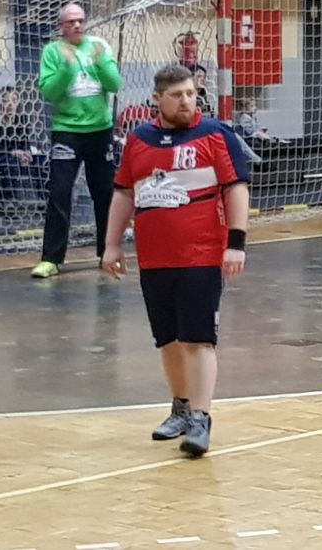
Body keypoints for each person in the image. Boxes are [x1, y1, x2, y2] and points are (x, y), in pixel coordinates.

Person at [102, 64, 251, 458]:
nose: (186, 101)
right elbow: (124, 192)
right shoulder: (139, 140)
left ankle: (201, 418)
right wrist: (112, 244)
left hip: (201, 255)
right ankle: (181, 408)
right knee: (167, 339)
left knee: (198, 339)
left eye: (190, 93)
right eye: (177, 95)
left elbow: (236, 188)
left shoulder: (216, 135)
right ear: (158, 100)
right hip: (154, 258)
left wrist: (236, 243)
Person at [31, 3, 122, 278]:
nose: (77, 25)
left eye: (81, 20)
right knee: (59, 192)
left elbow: (114, 84)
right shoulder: (52, 51)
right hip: (67, 131)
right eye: (70, 22)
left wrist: (100, 63)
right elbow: (49, 93)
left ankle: (107, 253)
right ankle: (51, 259)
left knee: (104, 193)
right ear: (61, 26)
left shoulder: (99, 47)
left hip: (100, 131)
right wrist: (67, 68)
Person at [0, 86, 46, 200]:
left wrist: (26, 153)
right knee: (11, 163)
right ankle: (8, 200)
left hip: (18, 156)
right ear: (0, 102)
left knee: (42, 160)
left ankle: (43, 197)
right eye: (6, 100)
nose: (10, 105)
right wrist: (14, 152)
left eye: (14, 100)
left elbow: (25, 141)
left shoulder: (21, 120)